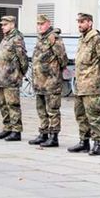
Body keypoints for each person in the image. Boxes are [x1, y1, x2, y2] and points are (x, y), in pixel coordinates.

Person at [67, 13, 100, 155]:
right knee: (80, 114)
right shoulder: (82, 39)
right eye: (78, 22)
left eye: (82, 22)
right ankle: (84, 141)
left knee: (94, 115)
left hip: (91, 84)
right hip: (80, 84)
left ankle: (98, 143)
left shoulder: (96, 39)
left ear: (90, 23)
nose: (79, 25)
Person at [29, 14, 68, 147]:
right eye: (38, 24)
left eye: (42, 24)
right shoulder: (41, 38)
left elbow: (62, 58)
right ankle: (43, 133)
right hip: (39, 81)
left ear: (48, 23)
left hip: (51, 81)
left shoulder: (53, 38)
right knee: (41, 109)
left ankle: (53, 136)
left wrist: (55, 71)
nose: (40, 26)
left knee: (53, 110)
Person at [0, 16, 29, 142]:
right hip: (3, 77)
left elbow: (23, 59)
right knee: (3, 104)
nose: (2, 27)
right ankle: (7, 128)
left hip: (12, 77)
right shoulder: (5, 39)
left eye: (5, 25)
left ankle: (16, 130)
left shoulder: (17, 39)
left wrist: (20, 73)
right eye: (2, 25)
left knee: (13, 105)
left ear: (12, 24)